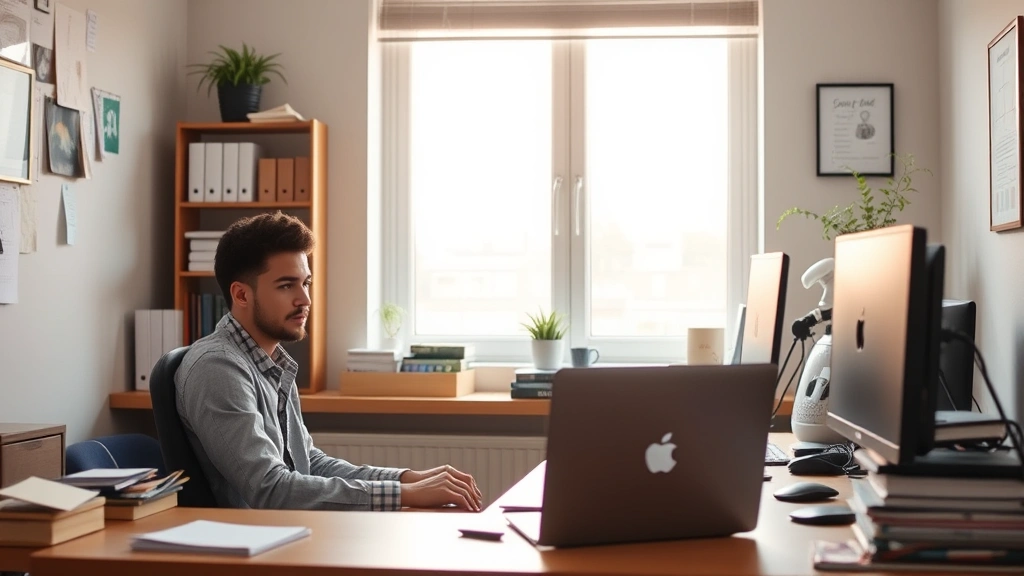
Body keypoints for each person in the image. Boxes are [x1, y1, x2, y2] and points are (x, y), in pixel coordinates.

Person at [175, 212, 483, 511]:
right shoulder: (218, 368)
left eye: (305, 283)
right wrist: (405, 494)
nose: (305, 299)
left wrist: (407, 479)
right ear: (241, 295)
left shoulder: (271, 364)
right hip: (248, 550)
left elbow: (308, 463)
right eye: (286, 285)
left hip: (283, 537)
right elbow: (270, 489)